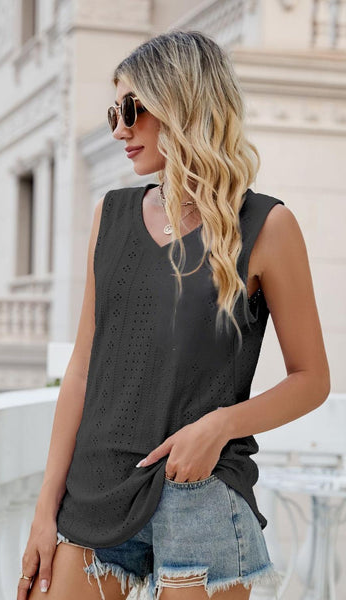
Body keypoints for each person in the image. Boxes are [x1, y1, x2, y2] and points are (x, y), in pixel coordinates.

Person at [17, 30, 330, 600]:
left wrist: (220, 425)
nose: (118, 130)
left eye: (131, 109)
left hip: (200, 493)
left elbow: (312, 379)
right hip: (95, 493)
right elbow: (82, 371)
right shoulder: (110, 216)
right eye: (113, 113)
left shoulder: (266, 226)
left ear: (182, 103)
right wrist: (45, 510)